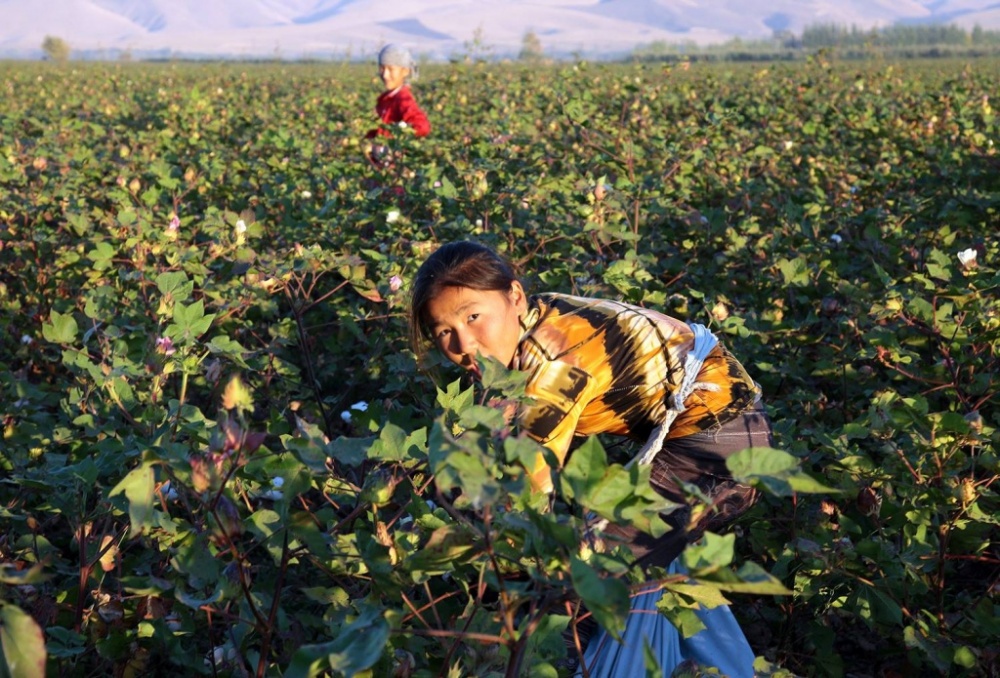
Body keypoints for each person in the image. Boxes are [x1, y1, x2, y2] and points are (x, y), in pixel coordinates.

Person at [409, 241, 772, 677]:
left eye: (472, 317)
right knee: (634, 573)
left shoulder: (553, 362)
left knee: (574, 590)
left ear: (516, 297)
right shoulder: (534, 328)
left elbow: (527, 490)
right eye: (443, 331)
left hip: (718, 444)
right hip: (713, 433)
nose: (463, 344)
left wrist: (474, 566)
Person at [366, 43, 430, 141]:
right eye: (382, 68)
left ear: (405, 71)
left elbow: (422, 127)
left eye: (391, 69)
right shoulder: (386, 99)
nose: (385, 75)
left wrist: (400, 132)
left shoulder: (403, 99)